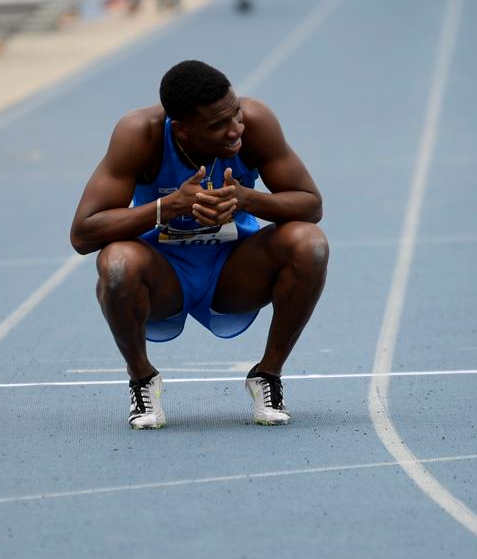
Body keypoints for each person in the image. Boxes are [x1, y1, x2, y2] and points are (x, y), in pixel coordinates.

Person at [69, 60, 329, 429]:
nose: (235, 130)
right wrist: (167, 207)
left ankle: (268, 374)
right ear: (182, 130)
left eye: (235, 113)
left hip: (233, 270)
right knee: (116, 263)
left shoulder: (255, 124)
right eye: (218, 125)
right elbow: (83, 233)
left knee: (310, 244)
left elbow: (311, 204)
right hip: (164, 273)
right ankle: (142, 378)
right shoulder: (139, 134)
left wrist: (245, 199)